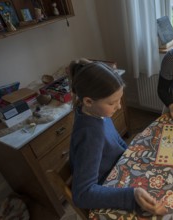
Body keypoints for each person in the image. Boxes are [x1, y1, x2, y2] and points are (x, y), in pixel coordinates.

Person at [68, 58, 167, 216]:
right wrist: (131, 195)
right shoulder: (89, 134)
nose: (119, 106)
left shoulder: (97, 112)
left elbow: (115, 141)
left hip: (119, 167)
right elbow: (82, 194)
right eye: (112, 103)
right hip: (107, 185)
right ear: (88, 101)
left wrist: (130, 153)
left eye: (119, 99)